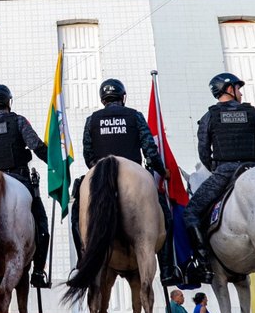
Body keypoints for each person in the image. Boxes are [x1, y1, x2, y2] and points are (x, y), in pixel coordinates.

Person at [71, 78, 180, 285]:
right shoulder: (134, 116)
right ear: (123, 97)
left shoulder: (92, 120)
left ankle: (81, 262)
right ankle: (167, 268)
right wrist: (161, 170)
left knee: (77, 215)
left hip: (101, 174)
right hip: (135, 176)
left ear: (103, 99)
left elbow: (88, 155)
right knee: (165, 214)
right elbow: (150, 149)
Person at [182, 72, 255, 282]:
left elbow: (203, 152)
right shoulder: (252, 113)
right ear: (228, 89)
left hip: (225, 172)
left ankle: (204, 264)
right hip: (253, 169)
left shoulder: (210, 116)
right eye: (238, 88)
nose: (240, 92)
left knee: (190, 212)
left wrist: (216, 169)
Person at [0, 84, 51, 288]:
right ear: (8, 102)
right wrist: (55, 161)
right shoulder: (18, 121)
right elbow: (36, 146)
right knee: (42, 225)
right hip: (19, 178)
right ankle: (37, 272)